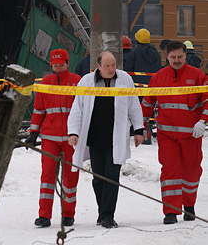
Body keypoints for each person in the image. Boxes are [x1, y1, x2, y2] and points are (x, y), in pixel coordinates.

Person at [67, 51, 144, 228]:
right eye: (107, 66)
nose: (111, 69)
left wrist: (138, 130)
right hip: (94, 137)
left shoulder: (125, 79)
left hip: (115, 137)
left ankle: (108, 215)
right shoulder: (86, 81)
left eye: (113, 65)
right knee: (98, 178)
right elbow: (77, 109)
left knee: (112, 176)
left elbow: (134, 105)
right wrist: (73, 132)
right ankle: (102, 212)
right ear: (98, 66)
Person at [141, 41, 208, 225]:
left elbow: (207, 100)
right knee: (170, 174)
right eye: (173, 57)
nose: (176, 60)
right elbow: (147, 104)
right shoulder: (158, 78)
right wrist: (141, 127)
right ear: (167, 57)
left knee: (191, 173)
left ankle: (189, 207)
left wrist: (203, 121)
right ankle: (170, 211)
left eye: (180, 57)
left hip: (191, 137)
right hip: (167, 136)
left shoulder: (198, 76)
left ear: (185, 56)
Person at [25, 49, 81, 228]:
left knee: (70, 178)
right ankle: (44, 216)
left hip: (72, 139)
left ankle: (68, 215)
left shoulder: (77, 82)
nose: (57, 69)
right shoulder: (45, 83)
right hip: (49, 138)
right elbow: (38, 110)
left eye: (60, 65)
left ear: (67, 63)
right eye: (54, 66)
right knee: (47, 176)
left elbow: (83, 110)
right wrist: (33, 133)